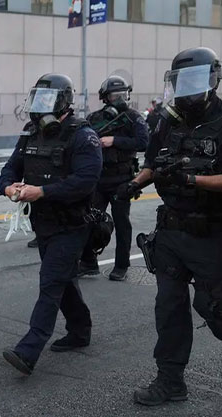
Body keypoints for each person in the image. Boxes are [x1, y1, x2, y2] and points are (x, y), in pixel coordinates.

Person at [119, 47, 222, 406]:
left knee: (214, 308)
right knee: (169, 308)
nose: (187, 89)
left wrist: (193, 179)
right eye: (181, 82)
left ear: (212, 80)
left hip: (212, 233)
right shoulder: (167, 121)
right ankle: (170, 381)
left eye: (194, 81)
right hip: (172, 231)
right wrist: (134, 184)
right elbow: (153, 163)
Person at [0, 73, 102, 375]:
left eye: (47, 101)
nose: (40, 107)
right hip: (43, 223)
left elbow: (85, 181)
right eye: (37, 100)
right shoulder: (30, 133)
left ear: (64, 103)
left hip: (72, 224)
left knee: (51, 281)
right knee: (63, 279)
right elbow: (11, 167)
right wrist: (8, 187)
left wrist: (42, 191)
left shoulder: (83, 135)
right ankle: (80, 331)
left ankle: (28, 350)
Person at [78, 75, 149, 280]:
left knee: (122, 224)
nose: (119, 99)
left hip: (122, 180)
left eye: (123, 95)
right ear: (105, 98)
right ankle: (88, 262)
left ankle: (121, 266)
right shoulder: (95, 119)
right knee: (89, 220)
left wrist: (114, 140)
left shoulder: (133, 118)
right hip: (99, 179)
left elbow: (143, 142)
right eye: (114, 95)